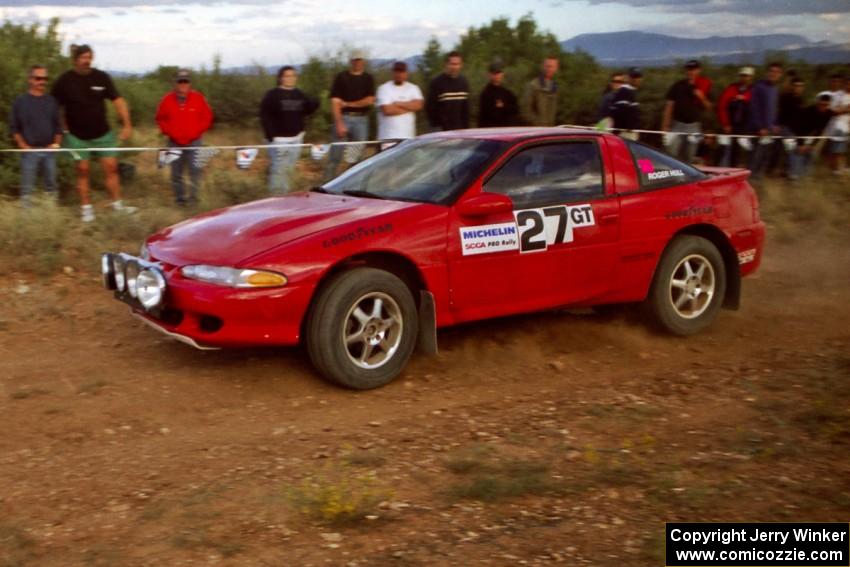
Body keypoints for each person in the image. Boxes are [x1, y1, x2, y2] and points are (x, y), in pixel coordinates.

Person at [51, 44, 135, 222]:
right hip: (76, 136)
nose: (86, 61)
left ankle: (117, 206)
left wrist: (127, 125)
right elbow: (54, 106)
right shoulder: (64, 81)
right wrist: (62, 129)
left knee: (112, 169)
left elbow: (118, 101)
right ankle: (86, 209)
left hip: (103, 135)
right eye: (82, 57)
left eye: (89, 57)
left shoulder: (101, 77)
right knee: (82, 171)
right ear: (75, 60)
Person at [154, 69, 213, 206]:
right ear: (175, 83)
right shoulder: (167, 100)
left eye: (185, 81)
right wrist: (169, 132)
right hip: (174, 142)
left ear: (190, 83)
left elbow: (208, 117)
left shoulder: (198, 98)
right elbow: (160, 119)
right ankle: (180, 200)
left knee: (195, 171)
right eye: (180, 81)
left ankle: (194, 200)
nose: (183, 84)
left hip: (194, 142)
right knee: (176, 174)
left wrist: (197, 132)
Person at [8, 65, 62, 206]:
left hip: (49, 151)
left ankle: (51, 216)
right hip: (29, 151)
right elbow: (14, 127)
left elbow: (58, 126)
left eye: (45, 78)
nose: (42, 81)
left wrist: (56, 144)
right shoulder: (20, 101)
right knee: (27, 190)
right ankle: (27, 222)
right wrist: (22, 145)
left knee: (51, 187)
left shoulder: (51, 101)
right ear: (30, 79)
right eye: (38, 78)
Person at [260, 66, 319, 193]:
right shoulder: (272, 95)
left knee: (289, 169)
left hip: (296, 139)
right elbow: (265, 116)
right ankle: (275, 200)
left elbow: (306, 110)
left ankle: (285, 197)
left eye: (293, 76)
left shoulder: (299, 94)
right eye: (287, 76)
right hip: (279, 140)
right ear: (281, 78)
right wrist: (271, 137)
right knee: (278, 170)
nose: (290, 78)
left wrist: (315, 103)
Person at [325, 50, 375, 180]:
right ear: (351, 61)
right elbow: (335, 102)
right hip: (344, 118)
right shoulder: (341, 77)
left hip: (361, 120)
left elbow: (369, 101)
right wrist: (339, 123)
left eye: (360, 60)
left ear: (363, 61)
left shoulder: (368, 78)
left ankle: (352, 184)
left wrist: (347, 104)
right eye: (355, 60)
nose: (357, 62)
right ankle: (327, 184)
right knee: (335, 156)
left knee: (356, 157)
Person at [662, 60, 712, 163]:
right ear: (686, 71)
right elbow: (669, 106)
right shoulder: (677, 85)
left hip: (694, 127)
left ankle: (685, 178)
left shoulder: (704, 85)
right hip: (677, 125)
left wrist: (701, 97)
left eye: (694, 69)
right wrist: (665, 126)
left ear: (699, 70)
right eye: (689, 69)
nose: (691, 72)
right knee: (671, 153)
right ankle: (671, 177)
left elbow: (709, 107)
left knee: (689, 156)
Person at [747, 62, 784, 180]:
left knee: (764, 156)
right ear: (767, 72)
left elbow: (773, 109)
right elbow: (754, 108)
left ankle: (758, 181)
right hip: (758, 130)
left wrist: (774, 125)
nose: (773, 74)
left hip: (769, 131)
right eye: (771, 71)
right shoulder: (759, 87)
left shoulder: (775, 89)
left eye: (776, 72)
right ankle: (749, 182)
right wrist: (759, 127)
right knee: (755, 157)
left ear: (780, 74)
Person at [786, 92, 834, 181]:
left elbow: (819, 131)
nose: (823, 107)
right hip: (789, 131)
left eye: (826, 105)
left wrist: (811, 145)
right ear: (818, 103)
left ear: (829, 105)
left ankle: (803, 175)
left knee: (809, 152)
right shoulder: (809, 111)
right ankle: (792, 175)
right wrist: (801, 144)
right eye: (821, 104)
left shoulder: (828, 114)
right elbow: (799, 127)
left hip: (804, 133)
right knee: (792, 150)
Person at [716, 66, 754, 167]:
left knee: (739, 152)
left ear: (751, 77)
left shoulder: (753, 91)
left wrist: (745, 99)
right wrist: (725, 124)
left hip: (744, 127)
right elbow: (722, 106)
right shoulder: (731, 88)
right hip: (730, 126)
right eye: (743, 76)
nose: (745, 78)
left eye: (747, 76)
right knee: (724, 149)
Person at [376, 61, 423, 140]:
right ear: (392, 73)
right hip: (388, 137)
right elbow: (387, 110)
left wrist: (398, 103)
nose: (399, 75)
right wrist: (410, 108)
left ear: (406, 73)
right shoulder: (383, 88)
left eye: (402, 72)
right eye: (396, 72)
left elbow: (418, 105)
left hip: (408, 138)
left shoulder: (413, 88)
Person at [426, 51, 470, 131]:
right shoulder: (437, 82)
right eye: (452, 64)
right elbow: (431, 109)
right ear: (446, 64)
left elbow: (465, 110)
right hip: (442, 131)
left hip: (459, 131)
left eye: (457, 64)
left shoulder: (463, 83)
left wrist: (466, 129)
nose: (455, 67)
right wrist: (438, 129)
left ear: (461, 65)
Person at [477, 61, 519, 127]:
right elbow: (483, 116)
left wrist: (504, 106)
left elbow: (515, 110)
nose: (497, 75)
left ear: (502, 74)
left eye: (499, 73)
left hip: (506, 130)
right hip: (491, 131)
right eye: (495, 73)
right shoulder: (485, 94)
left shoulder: (508, 93)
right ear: (489, 75)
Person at [825, 74, 850, 175]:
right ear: (844, 84)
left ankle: (846, 169)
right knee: (837, 150)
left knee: (846, 150)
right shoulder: (838, 95)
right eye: (847, 83)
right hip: (839, 126)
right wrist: (846, 109)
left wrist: (844, 109)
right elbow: (833, 110)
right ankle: (835, 171)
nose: (849, 85)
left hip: (848, 125)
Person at [523, 56, 560, 126]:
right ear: (543, 67)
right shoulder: (533, 85)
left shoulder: (554, 87)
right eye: (547, 66)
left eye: (552, 67)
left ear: (556, 69)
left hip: (550, 130)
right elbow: (525, 111)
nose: (549, 69)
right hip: (537, 131)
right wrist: (539, 124)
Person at [610, 67, 643, 139]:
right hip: (625, 133)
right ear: (628, 78)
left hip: (629, 132)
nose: (636, 79)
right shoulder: (624, 91)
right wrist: (630, 127)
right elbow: (621, 112)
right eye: (633, 77)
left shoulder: (631, 91)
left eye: (638, 76)